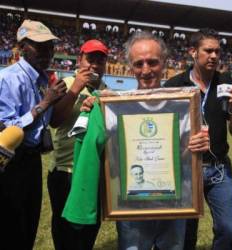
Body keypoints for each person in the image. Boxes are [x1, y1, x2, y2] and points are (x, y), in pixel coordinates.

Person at [81, 31, 209, 250]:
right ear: (130, 66)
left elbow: (190, 155)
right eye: (139, 63)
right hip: (132, 204)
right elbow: (105, 150)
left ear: (165, 64)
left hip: (174, 203)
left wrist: (201, 145)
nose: (146, 70)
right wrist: (91, 113)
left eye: (153, 62)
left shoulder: (185, 104)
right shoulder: (113, 107)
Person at [164, 28, 232, 250]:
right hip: (186, 169)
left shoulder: (227, 82)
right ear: (193, 52)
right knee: (186, 233)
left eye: (218, 52)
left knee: (228, 228)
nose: (214, 56)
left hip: (219, 169)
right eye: (208, 51)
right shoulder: (174, 85)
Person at [0, 19, 67, 250]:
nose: (47, 52)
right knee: (11, 228)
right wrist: (46, 102)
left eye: (50, 46)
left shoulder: (43, 79)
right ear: (22, 47)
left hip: (32, 161)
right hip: (11, 162)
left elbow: (50, 121)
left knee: (30, 224)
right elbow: (7, 128)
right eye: (40, 46)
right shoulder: (9, 78)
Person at [47, 39, 108, 250]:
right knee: (63, 227)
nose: (94, 65)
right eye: (90, 59)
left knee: (89, 225)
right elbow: (55, 120)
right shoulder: (66, 84)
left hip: (93, 171)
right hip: (65, 170)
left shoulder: (107, 92)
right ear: (80, 59)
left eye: (100, 61)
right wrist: (76, 88)